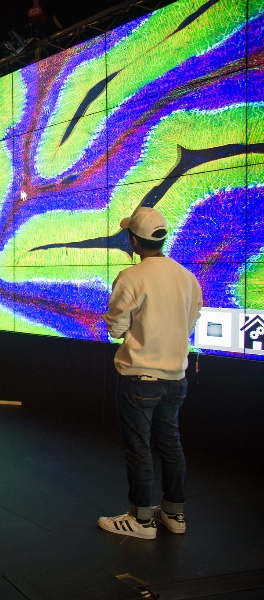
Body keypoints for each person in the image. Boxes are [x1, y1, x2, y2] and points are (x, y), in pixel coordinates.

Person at [97, 207, 202, 540]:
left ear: (133, 240)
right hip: (176, 379)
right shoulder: (187, 277)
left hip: (140, 377)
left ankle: (141, 520)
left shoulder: (131, 277)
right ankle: (174, 514)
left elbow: (116, 327)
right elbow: (192, 320)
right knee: (170, 444)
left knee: (139, 447)